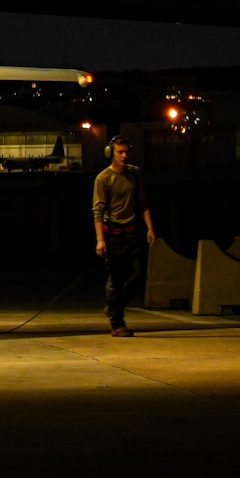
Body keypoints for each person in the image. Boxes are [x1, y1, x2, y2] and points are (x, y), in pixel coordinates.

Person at [93, 135, 156, 337]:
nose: (124, 155)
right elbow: (98, 211)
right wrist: (100, 240)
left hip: (132, 232)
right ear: (111, 153)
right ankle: (116, 322)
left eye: (126, 151)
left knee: (138, 275)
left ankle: (114, 306)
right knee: (116, 279)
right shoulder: (104, 179)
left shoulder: (135, 174)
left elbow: (142, 202)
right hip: (113, 235)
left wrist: (150, 228)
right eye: (120, 152)